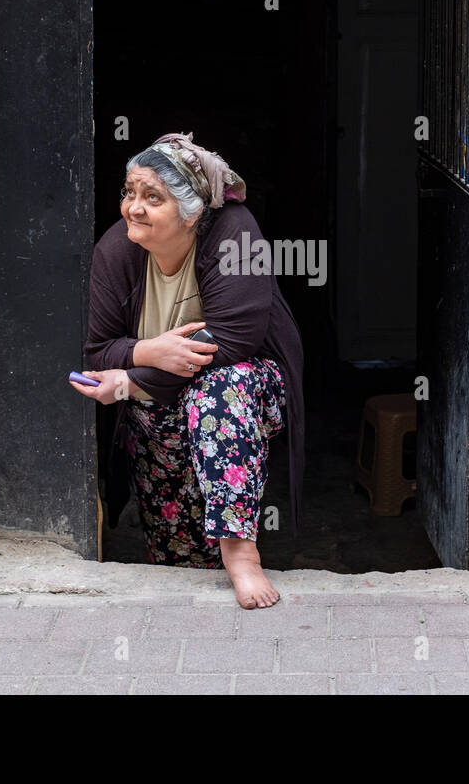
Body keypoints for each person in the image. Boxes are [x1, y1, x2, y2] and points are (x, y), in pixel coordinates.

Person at [71, 132, 305, 609]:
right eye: (129, 192)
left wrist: (131, 379)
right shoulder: (117, 249)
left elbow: (234, 341)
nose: (134, 208)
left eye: (152, 197)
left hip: (244, 392)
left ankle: (241, 553)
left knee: (219, 388)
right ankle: (187, 586)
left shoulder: (235, 233)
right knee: (179, 558)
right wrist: (149, 351)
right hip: (158, 405)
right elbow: (99, 352)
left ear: (192, 211)